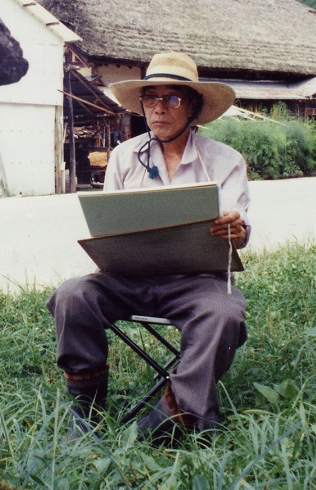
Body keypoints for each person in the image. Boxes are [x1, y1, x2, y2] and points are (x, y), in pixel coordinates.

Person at [47, 51, 250, 439]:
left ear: (192, 107)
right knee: (72, 294)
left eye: (172, 98)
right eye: (151, 99)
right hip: (129, 277)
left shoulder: (224, 161)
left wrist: (236, 230)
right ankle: (84, 406)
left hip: (196, 281)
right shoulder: (125, 156)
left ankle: (178, 410)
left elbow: (238, 223)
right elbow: (109, 224)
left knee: (224, 313)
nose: (159, 109)